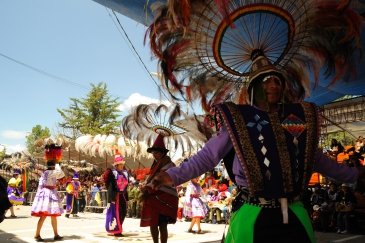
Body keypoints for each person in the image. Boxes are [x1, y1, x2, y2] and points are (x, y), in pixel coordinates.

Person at [151, 53, 361, 243]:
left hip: (296, 212)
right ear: (254, 87)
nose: (274, 86)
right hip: (253, 214)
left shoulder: (294, 120)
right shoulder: (238, 120)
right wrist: (171, 176)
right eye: (267, 81)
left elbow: (314, 158)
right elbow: (207, 157)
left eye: (277, 81)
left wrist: (354, 175)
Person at [140, 134, 178, 243]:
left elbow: (166, 180)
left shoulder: (169, 165)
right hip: (153, 198)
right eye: (153, 153)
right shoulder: (155, 166)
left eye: (156, 153)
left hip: (164, 199)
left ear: (162, 153)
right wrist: (146, 186)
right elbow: (152, 180)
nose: (154, 155)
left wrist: (149, 186)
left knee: (162, 224)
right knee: (153, 223)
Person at [31, 142, 65, 242]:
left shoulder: (45, 172)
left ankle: (55, 234)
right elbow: (61, 174)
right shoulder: (51, 172)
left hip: (48, 194)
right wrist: (58, 162)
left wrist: (55, 161)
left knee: (52, 216)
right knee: (45, 215)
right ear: (53, 166)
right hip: (49, 194)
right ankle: (37, 235)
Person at [104, 153, 129, 237]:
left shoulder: (125, 173)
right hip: (115, 197)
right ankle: (116, 230)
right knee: (117, 213)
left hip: (123, 196)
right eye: (120, 164)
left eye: (122, 164)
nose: (122, 166)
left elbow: (126, 186)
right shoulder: (113, 173)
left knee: (123, 212)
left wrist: (127, 198)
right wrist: (111, 199)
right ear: (116, 165)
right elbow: (110, 186)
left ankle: (119, 227)